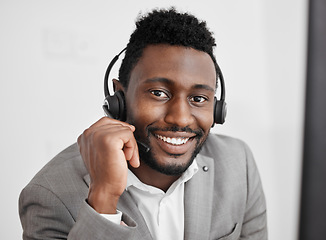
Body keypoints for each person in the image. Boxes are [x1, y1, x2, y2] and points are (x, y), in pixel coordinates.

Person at [19, 8, 267, 240]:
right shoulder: (50, 195)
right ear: (119, 99)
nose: (180, 118)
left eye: (198, 98)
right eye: (159, 93)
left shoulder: (238, 164)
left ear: (216, 109)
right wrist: (103, 200)